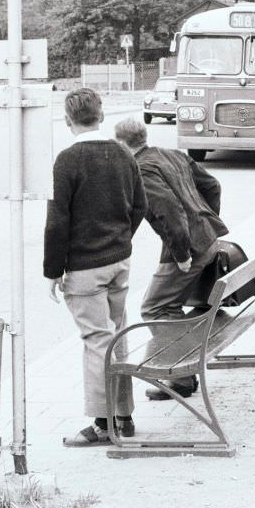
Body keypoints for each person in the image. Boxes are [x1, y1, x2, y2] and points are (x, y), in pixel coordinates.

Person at [43, 89, 147, 446]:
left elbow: (57, 221)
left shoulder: (67, 161)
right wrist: (121, 239)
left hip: (85, 266)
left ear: (67, 120)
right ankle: (124, 416)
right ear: (101, 116)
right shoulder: (123, 153)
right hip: (119, 260)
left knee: (97, 341)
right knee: (117, 334)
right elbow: (140, 206)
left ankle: (104, 424)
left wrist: (53, 270)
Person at [114, 117, 228, 400]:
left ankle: (181, 377)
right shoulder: (173, 154)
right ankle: (183, 371)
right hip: (207, 239)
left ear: (122, 144)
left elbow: (170, 212)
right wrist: (205, 223)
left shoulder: (141, 169)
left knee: (156, 308)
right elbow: (212, 186)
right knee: (167, 305)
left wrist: (182, 253)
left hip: (189, 247)